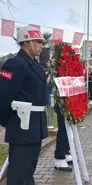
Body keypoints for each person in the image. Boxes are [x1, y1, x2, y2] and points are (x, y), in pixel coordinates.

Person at [0, 26, 48, 184]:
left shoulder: (36, 66)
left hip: (35, 127)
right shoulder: (15, 64)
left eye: (43, 42)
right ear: (25, 42)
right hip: (21, 127)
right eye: (38, 42)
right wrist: (9, 122)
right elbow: (3, 96)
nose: (42, 45)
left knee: (27, 172)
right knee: (18, 175)